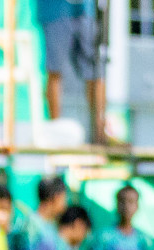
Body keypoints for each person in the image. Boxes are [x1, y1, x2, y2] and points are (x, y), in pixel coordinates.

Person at [37, 0, 106, 143]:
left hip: (85, 10)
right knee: (54, 70)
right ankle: (55, 136)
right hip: (54, 10)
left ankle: (100, 135)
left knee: (96, 72)